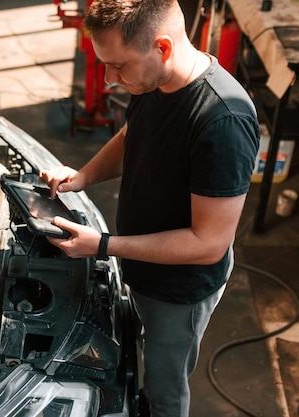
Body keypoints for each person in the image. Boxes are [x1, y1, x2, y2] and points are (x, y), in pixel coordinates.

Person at [38, 1, 259, 416]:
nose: (109, 79)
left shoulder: (222, 122)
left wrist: (103, 245)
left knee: (163, 389)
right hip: (138, 266)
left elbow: (209, 243)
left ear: (162, 47)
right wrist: (83, 175)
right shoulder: (153, 82)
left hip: (178, 293)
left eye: (118, 66)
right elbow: (132, 134)